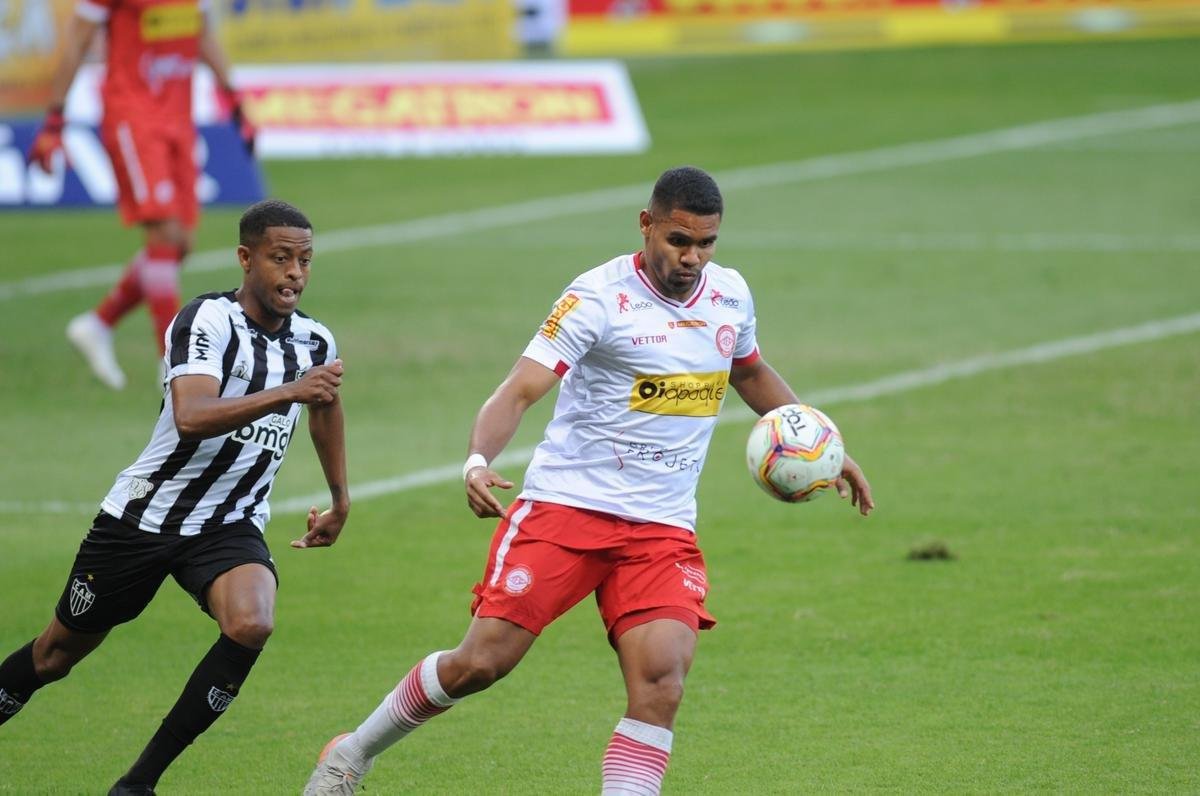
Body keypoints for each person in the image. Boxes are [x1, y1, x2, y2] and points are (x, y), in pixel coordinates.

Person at [303, 166, 875, 795]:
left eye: (706, 244)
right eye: (679, 241)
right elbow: (518, 390)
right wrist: (475, 460)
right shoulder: (597, 298)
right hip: (567, 508)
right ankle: (351, 755)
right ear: (646, 225)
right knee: (481, 663)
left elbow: (749, 371)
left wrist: (818, 437)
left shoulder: (730, 295)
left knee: (662, 682)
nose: (692, 258)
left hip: (661, 527)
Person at [0, 199, 348, 795]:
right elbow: (190, 416)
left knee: (252, 623)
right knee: (55, 655)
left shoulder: (314, 341)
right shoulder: (205, 320)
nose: (294, 273)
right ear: (245, 258)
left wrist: (340, 498)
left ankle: (137, 784)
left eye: (305, 261)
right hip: (144, 516)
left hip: (228, 523)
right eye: (280, 258)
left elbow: (325, 409)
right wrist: (289, 390)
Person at [27, 0, 255, 390]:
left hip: (178, 119)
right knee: (164, 235)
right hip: (132, 117)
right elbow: (78, 39)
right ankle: (172, 364)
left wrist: (233, 100)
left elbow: (201, 33)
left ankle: (98, 323)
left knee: (180, 243)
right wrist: (54, 120)